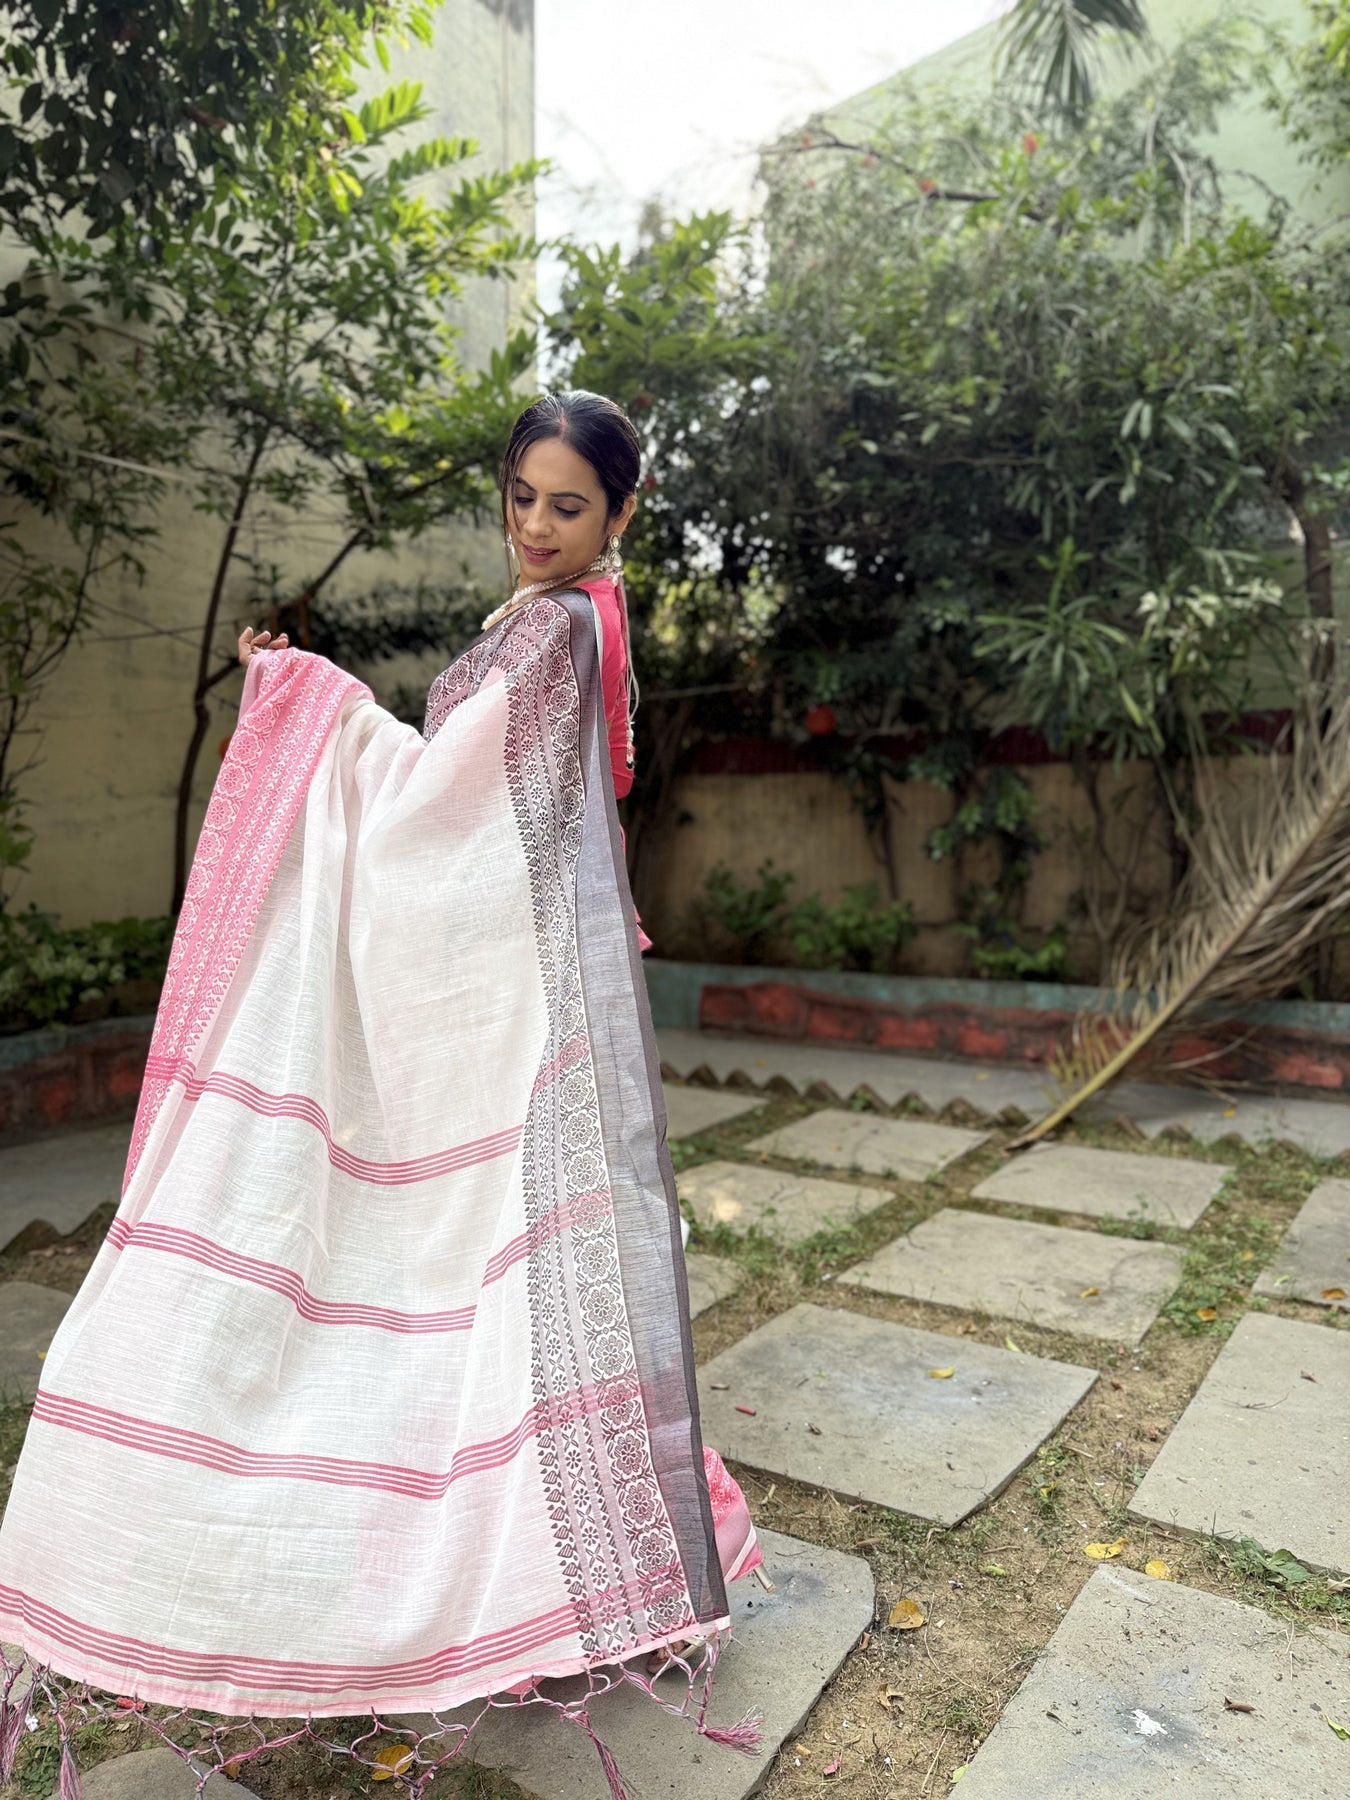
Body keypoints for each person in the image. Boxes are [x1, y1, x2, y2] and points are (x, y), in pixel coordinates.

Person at [0, 391, 759, 1796]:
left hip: (507, 997)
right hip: (520, 984)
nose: (536, 526)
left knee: (471, 1271)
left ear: (620, 512)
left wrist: (309, 704)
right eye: (521, 497)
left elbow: (434, 821)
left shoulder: (557, 631)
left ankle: (507, 1576)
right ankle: (567, 1559)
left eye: (568, 506)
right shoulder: (571, 620)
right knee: (510, 1284)